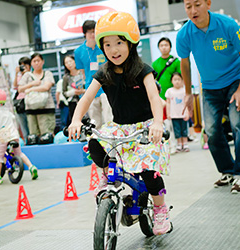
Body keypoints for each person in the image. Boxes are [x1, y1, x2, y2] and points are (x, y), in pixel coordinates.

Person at [68, 11, 172, 235]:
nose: (113, 50)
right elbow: (86, 98)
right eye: (107, 45)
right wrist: (76, 119)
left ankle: (161, 209)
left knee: (149, 172)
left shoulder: (142, 71)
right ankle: (108, 175)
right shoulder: (103, 72)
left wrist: (157, 123)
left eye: (119, 42)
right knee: (95, 143)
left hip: (145, 127)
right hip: (119, 127)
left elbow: (155, 98)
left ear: (132, 42)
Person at [176, 0, 240, 193]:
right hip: (210, 87)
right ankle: (227, 171)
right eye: (188, 6)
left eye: (197, 4)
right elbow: (185, 64)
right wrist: (188, 93)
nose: (193, 11)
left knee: (237, 125)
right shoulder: (184, 34)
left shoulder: (228, 25)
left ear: (208, 4)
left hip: (234, 81)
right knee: (211, 131)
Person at [0, 88, 38, 185]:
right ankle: (31, 167)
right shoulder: (7, 111)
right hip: (14, 134)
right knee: (19, 153)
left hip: (3, 135)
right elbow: (13, 119)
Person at [74, 20, 113, 129]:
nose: (93, 34)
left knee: (109, 118)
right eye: (90, 32)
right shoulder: (78, 51)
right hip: (90, 88)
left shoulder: (104, 46)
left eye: (94, 31)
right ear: (85, 34)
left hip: (106, 87)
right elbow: (82, 73)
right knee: (95, 121)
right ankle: (97, 143)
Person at [152, 37, 181, 154]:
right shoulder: (155, 63)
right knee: (164, 124)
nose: (164, 47)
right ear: (159, 48)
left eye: (166, 45)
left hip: (174, 98)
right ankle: (166, 146)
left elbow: (180, 77)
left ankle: (177, 145)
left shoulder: (176, 62)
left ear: (170, 47)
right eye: (161, 45)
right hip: (159, 99)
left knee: (175, 123)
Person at [18, 53, 56, 141]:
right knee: (33, 137)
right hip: (31, 109)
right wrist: (32, 84)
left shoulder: (47, 74)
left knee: (47, 136)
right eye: (34, 61)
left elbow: (46, 87)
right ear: (31, 63)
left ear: (43, 62)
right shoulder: (27, 75)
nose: (36, 63)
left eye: (38, 61)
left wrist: (30, 89)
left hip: (46, 108)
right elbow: (20, 89)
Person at [165, 72, 189, 152]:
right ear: (171, 81)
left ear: (182, 80)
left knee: (184, 129)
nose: (177, 81)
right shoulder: (169, 91)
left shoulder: (184, 90)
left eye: (179, 79)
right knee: (177, 130)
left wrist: (187, 113)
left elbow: (187, 103)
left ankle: (185, 144)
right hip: (174, 115)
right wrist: (168, 113)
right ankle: (179, 144)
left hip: (183, 114)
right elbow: (168, 103)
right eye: (175, 79)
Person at [62, 55, 85, 121]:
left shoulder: (82, 73)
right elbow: (64, 92)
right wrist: (73, 92)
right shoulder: (66, 77)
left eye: (70, 61)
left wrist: (83, 91)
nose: (69, 64)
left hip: (85, 99)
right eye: (66, 63)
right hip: (73, 103)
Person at [13, 56, 31, 140]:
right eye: (21, 65)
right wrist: (17, 73)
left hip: (30, 101)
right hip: (20, 103)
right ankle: (26, 140)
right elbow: (15, 86)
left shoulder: (31, 75)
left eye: (25, 65)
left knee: (31, 124)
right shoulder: (19, 76)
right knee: (23, 125)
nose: (23, 67)